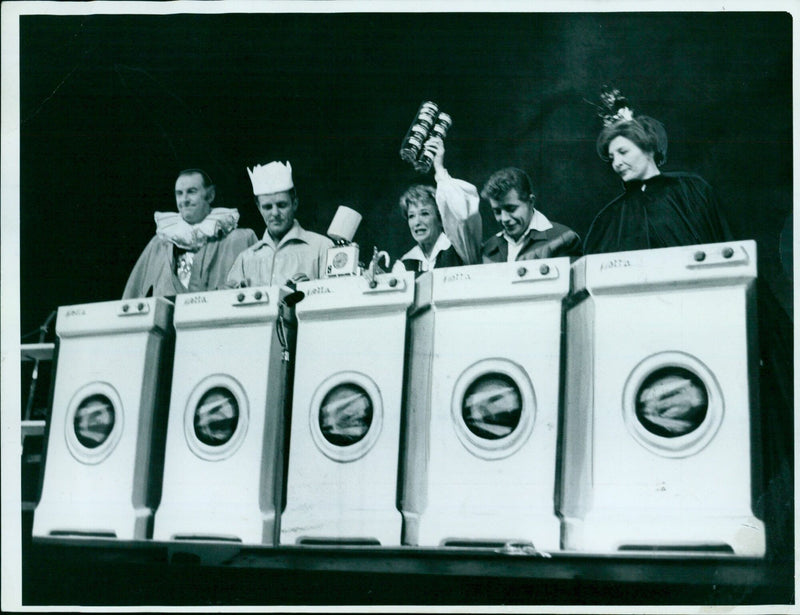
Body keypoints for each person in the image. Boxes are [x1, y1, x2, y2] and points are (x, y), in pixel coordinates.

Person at [583, 101, 733, 253]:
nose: (617, 163)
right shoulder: (609, 218)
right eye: (612, 157)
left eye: (623, 152)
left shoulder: (692, 190)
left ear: (648, 148)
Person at [123, 169, 256, 298]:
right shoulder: (159, 244)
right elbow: (131, 297)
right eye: (179, 193)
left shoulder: (239, 239)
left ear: (210, 196)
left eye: (191, 192)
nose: (184, 199)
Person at [226, 161, 332, 287]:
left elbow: (337, 298)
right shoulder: (245, 259)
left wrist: (310, 290)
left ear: (295, 204)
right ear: (259, 208)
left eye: (282, 205)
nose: (275, 213)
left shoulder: (322, 248)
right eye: (267, 207)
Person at [397, 138, 483, 274]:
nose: (417, 222)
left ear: (440, 219)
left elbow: (463, 213)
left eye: (425, 213)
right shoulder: (404, 263)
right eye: (411, 216)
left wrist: (439, 168)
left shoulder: (460, 248)